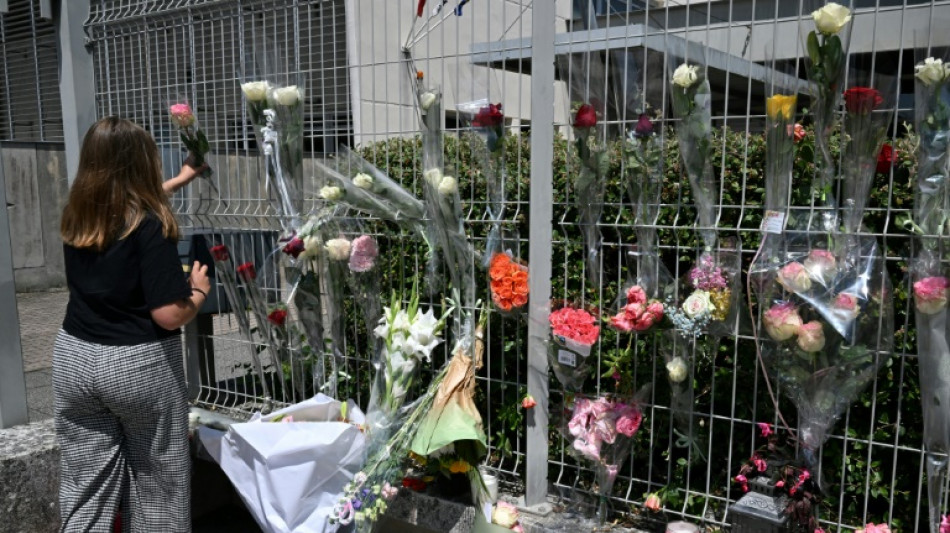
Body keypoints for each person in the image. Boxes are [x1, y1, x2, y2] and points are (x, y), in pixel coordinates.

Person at [54, 116, 210, 532]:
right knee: (159, 482)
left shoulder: (78, 215)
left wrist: (181, 180)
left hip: (73, 358)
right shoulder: (150, 226)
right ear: (140, 163)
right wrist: (197, 292)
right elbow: (167, 314)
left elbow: (124, 205)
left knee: (85, 484)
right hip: (135, 367)